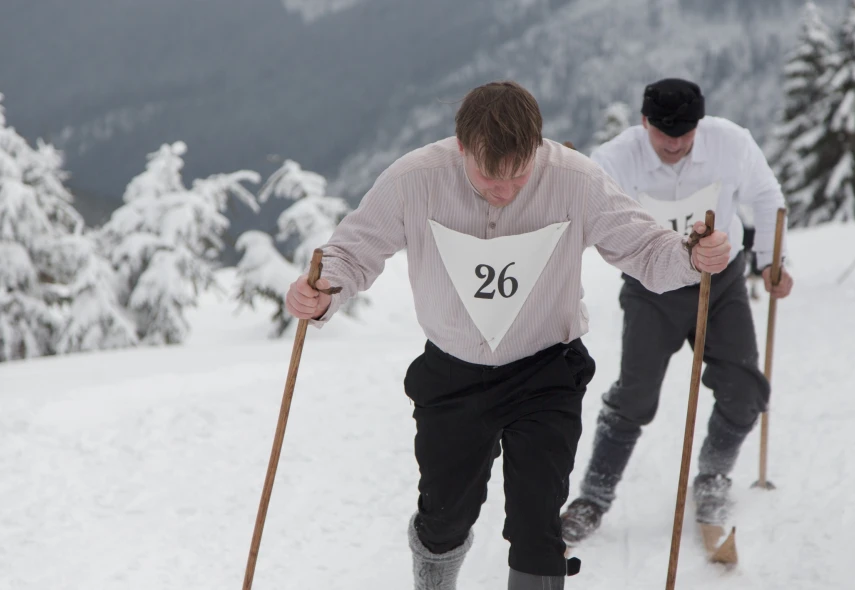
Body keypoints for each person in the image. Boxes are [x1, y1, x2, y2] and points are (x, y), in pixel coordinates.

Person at [284, 80, 732, 590]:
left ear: (537, 150)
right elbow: (351, 252)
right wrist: (323, 292)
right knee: (444, 516)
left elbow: (648, 251)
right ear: (461, 147)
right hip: (452, 374)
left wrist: (692, 256)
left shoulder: (575, 179)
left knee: (537, 524)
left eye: (519, 177)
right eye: (489, 177)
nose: (505, 191)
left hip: (546, 369)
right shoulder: (414, 179)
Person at [559, 78, 794, 545]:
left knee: (744, 388)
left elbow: (767, 197)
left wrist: (771, 261)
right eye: (664, 133)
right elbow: (580, 215)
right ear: (644, 122)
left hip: (721, 281)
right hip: (652, 288)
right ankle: (593, 497)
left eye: (684, 134)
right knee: (635, 395)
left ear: (699, 125)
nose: (674, 144)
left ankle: (712, 477)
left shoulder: (730, 144)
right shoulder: (615, 159)